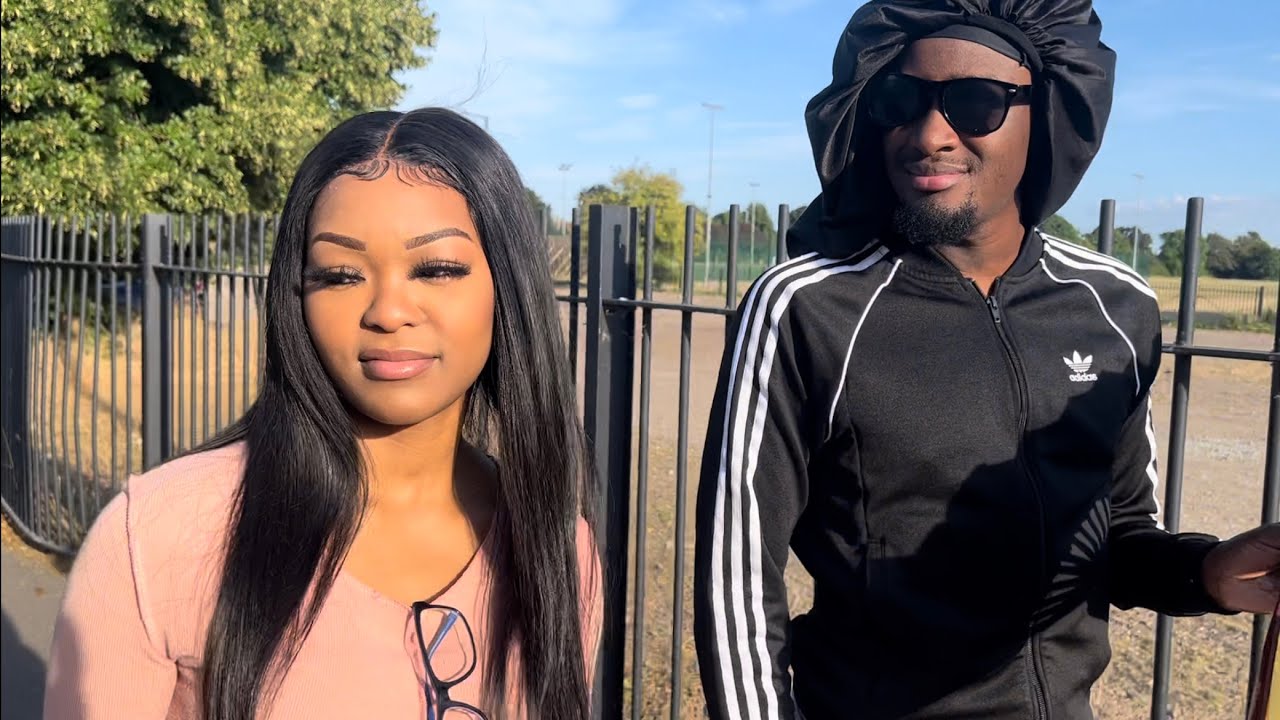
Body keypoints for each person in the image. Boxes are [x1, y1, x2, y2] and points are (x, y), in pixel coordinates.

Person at [692, 2, 1280, 718]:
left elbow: (1116, 534)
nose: (929, 134)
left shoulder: (1114, 306)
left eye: (975, 102)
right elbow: (737, 581)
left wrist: (1207, 571)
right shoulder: (808, 307)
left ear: (1047, 115)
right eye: (900, 101)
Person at [45, 108, 601, 720]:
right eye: (339, 275)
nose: (388, 311)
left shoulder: (559, 551)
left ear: (508, 289)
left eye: (437, 269)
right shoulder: (158, 536)